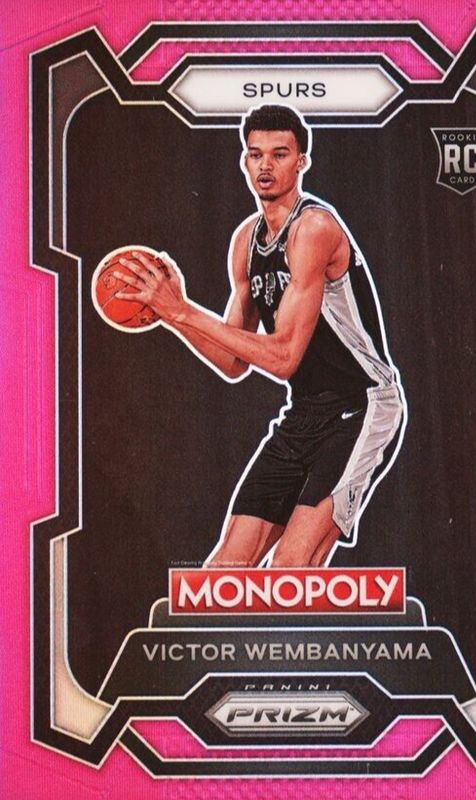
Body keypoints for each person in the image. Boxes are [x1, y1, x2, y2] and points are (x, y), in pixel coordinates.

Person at [115, 104, 404, 568]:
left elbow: (285, 357)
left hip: (361, 405)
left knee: (290, 568)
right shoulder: (245, 241)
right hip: (305, 412)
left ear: (302, 162)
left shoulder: (314, 229)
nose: (266, 165)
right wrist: (172, 315)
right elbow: (233, 361)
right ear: (244, 162)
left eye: (279, 154)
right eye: (256, 154)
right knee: (224, 571)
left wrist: (185, 310)